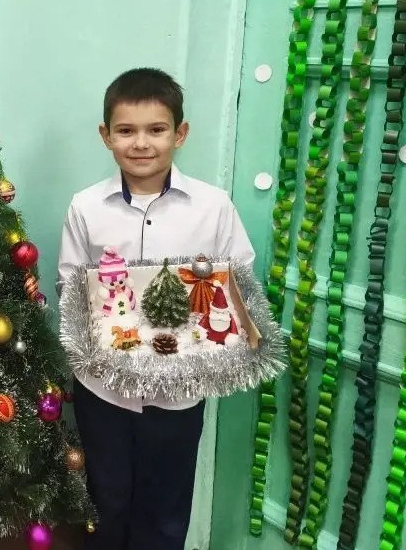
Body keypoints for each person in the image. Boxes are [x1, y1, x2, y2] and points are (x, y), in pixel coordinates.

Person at [57, 68, 255, 550]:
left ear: (179, 134)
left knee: (166, 509)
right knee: (106, 502)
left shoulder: (213, 207)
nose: (141, 143)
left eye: (156, 129)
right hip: (103, 390)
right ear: (106, 135)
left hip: (179, 392)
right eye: (126, 130)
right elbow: (69, 286)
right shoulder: (86, 207)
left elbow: (239, 282)